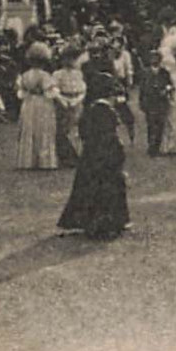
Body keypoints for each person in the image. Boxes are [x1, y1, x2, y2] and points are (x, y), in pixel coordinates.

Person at [55, 74, 130, 239]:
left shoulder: (90, 109)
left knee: (90, 186)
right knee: (107, 187)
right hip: (106, 155)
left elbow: (84, 132)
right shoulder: (105, 110)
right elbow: (111, 136)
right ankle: (106, 223)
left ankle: (92, 221)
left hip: (91, 155)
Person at [15, 43, 59, 170]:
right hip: (42, 103)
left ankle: (27, 161)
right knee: (43, 130)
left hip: (28, 103)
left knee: (29, 130)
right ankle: (45, 161)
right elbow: (50, 92)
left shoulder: (25, 75)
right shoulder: (45, 76)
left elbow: (20, 92)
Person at [52, 48, 87, 167]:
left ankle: (77, 155)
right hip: (63, 102)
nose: (71, 62)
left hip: (76, 102)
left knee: (75, 129)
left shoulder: (79, 73)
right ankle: (65, 157)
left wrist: (77, 100)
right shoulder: (57, 74)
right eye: (68, 59)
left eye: (73, 59)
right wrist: (63, 100)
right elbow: (55, 89)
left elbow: (83, 88)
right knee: (62, 130)